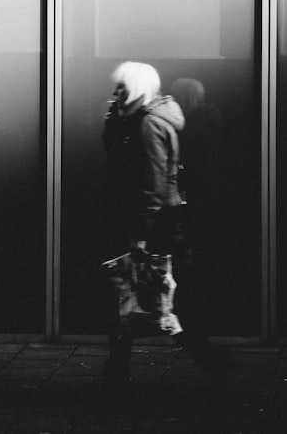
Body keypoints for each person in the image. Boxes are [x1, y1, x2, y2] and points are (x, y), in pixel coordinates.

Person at [100, 61, 229, 394]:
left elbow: (154, 182)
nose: (116, 93)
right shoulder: (140, 120)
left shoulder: (149, 124)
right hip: (152, 221)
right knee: (134, 296)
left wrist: (141, 234)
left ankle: (211, 360)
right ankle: (116, 374)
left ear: (139, 89)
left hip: (152, 225)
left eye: (122, 88)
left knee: (155, 300)